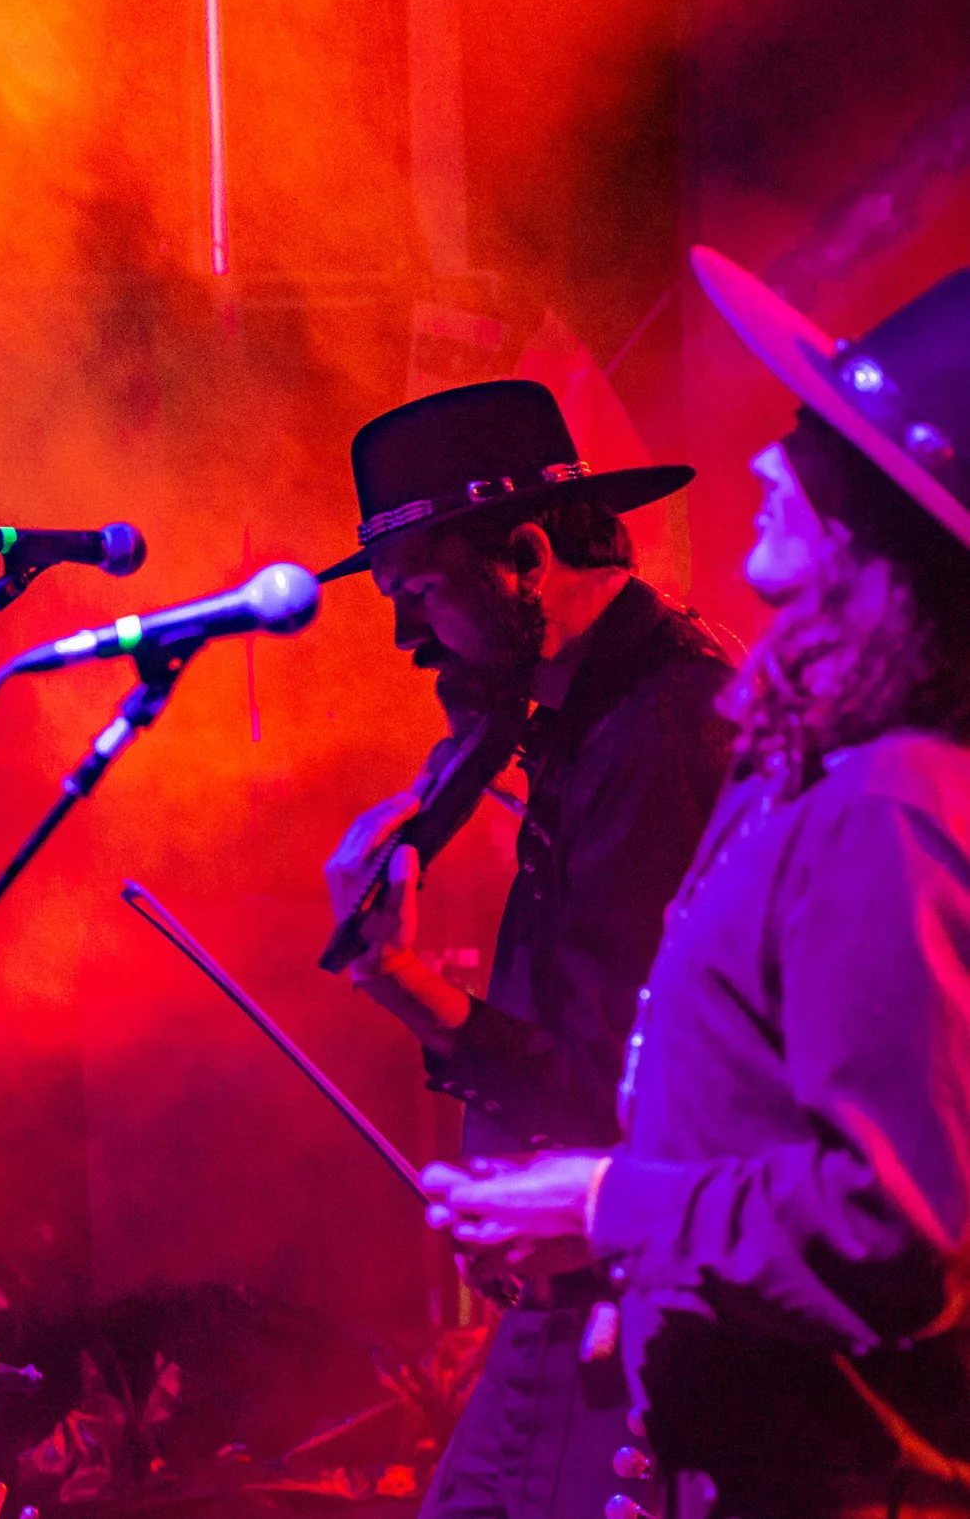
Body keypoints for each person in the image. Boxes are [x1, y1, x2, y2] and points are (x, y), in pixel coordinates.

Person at [421, 253, 970, 1517]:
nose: (763, 460)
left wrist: (604, 1204)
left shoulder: (885, 806)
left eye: (813, 444)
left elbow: (895, 1224)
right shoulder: (815, 771)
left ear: (889, 516)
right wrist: (646, 1273)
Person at [318, 381, 736, 1516]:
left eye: (419, 593)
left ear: (525, 557)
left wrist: (400, 981)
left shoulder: (659, 739)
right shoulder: (596, 717)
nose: (406, 639)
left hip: (634, 1306)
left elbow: (606, 1093)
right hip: (574, 1300)